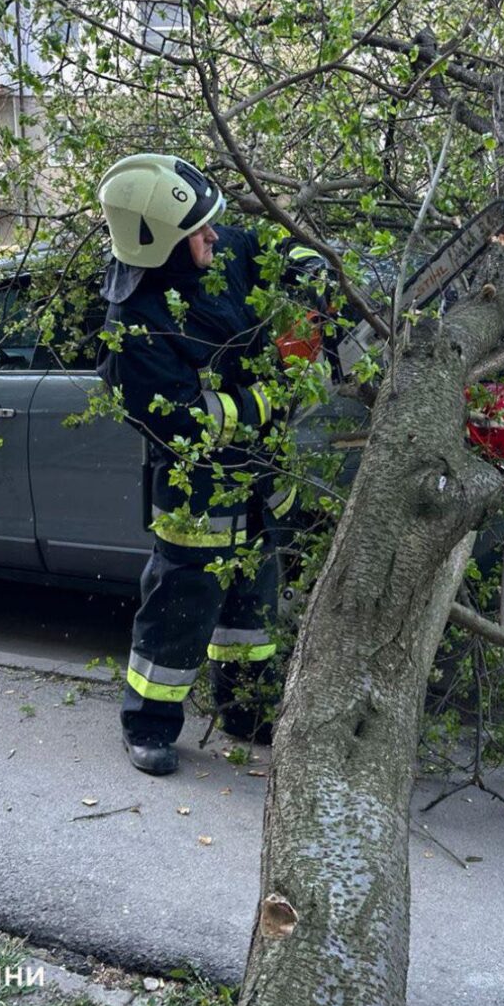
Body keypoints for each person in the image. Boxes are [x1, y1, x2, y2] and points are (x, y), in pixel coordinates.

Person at [95, 153, 325, 777]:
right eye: (199, 232)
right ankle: (147, 725)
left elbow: (266, 244)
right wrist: (271, 395)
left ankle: (248, 712)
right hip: (196, 496)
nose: (215, 237)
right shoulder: (134, 328)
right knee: (179, 608)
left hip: (256, 481)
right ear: (165, 246)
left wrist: (306, 268)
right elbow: (181, 420)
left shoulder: (214, 252)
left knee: (253, 610)